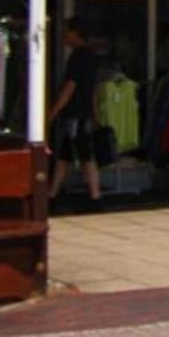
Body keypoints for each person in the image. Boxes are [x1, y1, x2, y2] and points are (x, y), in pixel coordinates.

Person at [48, 19, 104, 206]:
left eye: (67, 32)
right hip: (84, 113)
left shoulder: (78, 57)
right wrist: (96, 113)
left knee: (85, 155)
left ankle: (95, 195)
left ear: (76, 33)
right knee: (66, 155)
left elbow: (70, 88)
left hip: (76, 115)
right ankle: (53, 192)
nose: (64, 36)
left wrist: (53, 112)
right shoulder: (91, 57)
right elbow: (94, 89)